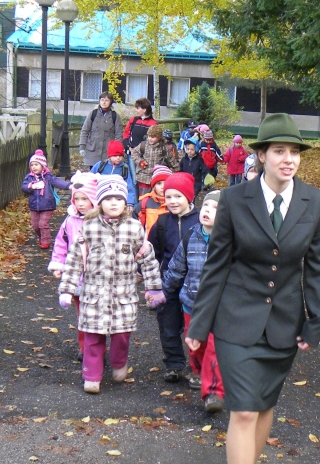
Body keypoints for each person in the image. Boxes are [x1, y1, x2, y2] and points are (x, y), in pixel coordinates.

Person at [186, 113, 320, 464]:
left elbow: (318, 266)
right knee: (245, 409)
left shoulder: (315, 202)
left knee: (265, 407)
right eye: (279, 151)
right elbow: (217, 265)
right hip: (236, 319)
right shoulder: (235, 200)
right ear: (262, 156)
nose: (289, 159)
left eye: (295, 152)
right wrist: (200, 323)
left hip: (284, 323)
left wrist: (316, 320)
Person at [58, 175, 163, 394]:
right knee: (92, 338)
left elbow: (148, 258)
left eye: (118, 199)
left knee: (121, 337)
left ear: (125, 202)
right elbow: (74, 260)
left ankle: (119, 362)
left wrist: (153, 288)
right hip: (94, 295)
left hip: (123, 297)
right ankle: (91, 375)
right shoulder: (88, 228)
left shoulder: (134, 228)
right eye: (108, 199)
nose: (113, 203)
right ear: (99, 202)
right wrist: (67, 289)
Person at [162, 189, 225, 415]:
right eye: (206, 206)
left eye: (216, 208)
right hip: (192, 303)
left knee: (215, 348)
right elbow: (177, 267)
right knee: (196, 345)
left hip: (220, 307)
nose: (207, 211)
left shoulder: (231, 240)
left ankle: (214, 392)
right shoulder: (191, 236)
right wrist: (164, 291)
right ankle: (198, 371)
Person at [148, 172, 199, 382]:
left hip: (195, 284)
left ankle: (197, 369)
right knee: (168, 324)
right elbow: (153, 253)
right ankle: (174, 364)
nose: (173, 201)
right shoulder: (162, 222)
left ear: (189, 197)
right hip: (168, 283)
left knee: (194, 328)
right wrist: (150, 279)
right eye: (168, 197)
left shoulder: (200, 220)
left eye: (178, 196)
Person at [48, 171, 98, 355]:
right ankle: (85, 348)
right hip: (76, 276)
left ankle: (97, 347)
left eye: (85, 199)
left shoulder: (103, 221)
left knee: (97, 315)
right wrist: (58, 264)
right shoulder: (70, 221)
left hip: (98, 276)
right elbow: (61, 243)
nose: (81, 203)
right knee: (82, 315)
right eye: (77, 199)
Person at [21, 149, 71, 249]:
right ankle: (42, 236)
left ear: (42, 165)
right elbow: (24, 187)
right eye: (32, 165)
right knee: (35, 226)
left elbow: (57, 182)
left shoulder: (48, 177)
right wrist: (31, 186)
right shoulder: (29, 177)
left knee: (43, 224)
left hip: (47, 204)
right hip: (34, 205)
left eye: (36, 164)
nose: (34, 167)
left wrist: (68, 185)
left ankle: (46, 241)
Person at [90, 139, 138, 210]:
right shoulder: (100, 165)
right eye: (115, 155)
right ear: (109, 156)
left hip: (117, 200)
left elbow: (129, 187)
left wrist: (129, 203)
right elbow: (89, 179)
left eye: (120, 155)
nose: (118, 158)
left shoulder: (124, 169)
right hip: (99, 199)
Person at [79, 91, 122, 167]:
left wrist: (117, 151)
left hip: (108, 152)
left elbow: (119, 134)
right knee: (93, 172)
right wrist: (82, 146)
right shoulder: (93, 114)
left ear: (111, 102)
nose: (104, 102)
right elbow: (85, 130)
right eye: (102, 100)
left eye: (106, 100)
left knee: (106, 172)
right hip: (93, 150)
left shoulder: (115, 116)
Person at [133, 123, 175, 200]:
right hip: (143, 176)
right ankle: (142, 206)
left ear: (158, 137)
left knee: (157, 197)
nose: (150, 139)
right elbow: (134, 153)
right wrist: (140, 161)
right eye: (149, 136)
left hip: (157, 177)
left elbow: (171, 159)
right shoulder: (143, 145)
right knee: (143, 198)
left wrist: (176, 169)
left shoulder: (164, 147)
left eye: (153, 137)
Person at [138, 165, 172, 236]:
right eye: (159, 183)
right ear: (154, 186)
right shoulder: (145, 202)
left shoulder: (174, 204)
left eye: (166, 183)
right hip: (149, 241)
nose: (162, 187)